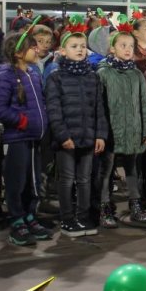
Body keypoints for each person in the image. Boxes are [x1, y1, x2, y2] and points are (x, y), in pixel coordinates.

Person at [45, 18, 108, 236]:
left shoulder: (92, 77)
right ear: (62, 51)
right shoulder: (55, 78)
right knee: (67, 180)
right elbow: (54, 110)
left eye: (82, 46)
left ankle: (83, 217)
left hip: (88, 137)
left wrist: (100, 135)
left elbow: (99, 108)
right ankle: (67, 219)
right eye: (74, 46)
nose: (80, 50)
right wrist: (62, 136)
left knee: (84, 179)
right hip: (67, 139)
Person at [0, 29, 52, 246]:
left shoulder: (33, 73)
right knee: (17, 181)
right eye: (32, 46)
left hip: (35, 138)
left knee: (33, 182)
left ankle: (29, 216)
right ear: (18, 53)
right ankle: (16, 220)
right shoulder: (6, 75)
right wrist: (22, 121)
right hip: (17, 138)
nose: (37, 49)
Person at [96, 27, 146, 224]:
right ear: (112, 49)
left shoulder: (136, 74)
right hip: (112, 131)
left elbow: (145, 103)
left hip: (133, 130)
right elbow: (99, 106)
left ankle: (135, 204)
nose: (128, 49)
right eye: (123, 45)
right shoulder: (103, 73)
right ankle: (104, 206)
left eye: (131, 45)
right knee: (107, 169)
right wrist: (101, 133)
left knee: (132, 169)